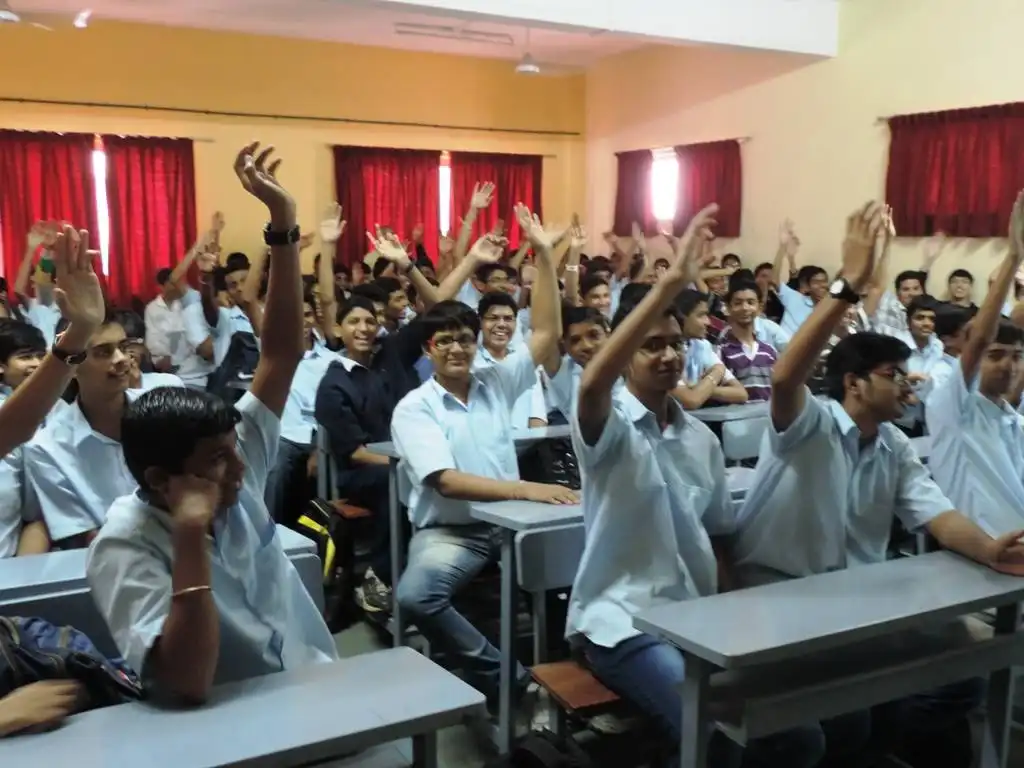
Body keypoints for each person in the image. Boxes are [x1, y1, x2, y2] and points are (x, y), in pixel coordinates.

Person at [733, 201, 1024, 768]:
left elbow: (935, 513)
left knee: (958, 676)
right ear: (855, 384)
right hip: (778, 600)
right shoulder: (809, 426)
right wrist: (850, 285)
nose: (909, 389)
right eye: (894, 377)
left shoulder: (891, 446)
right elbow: (787, 374)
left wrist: (990, 548)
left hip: (853, 601)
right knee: (851, 718)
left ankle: (872, 749)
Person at [569, 204, 820, 767]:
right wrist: (669, 286)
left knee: (802, 735)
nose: (667, 355)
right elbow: (591, 385)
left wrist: (742, 617)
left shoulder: (701, 441)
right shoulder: (607, 431)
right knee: (714, 733)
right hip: (621, 622)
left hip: (697, 619)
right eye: (651, 345)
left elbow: (718, 539)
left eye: (675, 344)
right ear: (625, 354)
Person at [87, 142, 338, 704]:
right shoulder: (124, 544)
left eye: (232, 452)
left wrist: (283, 224)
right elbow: (186, 683)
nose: (241, 470)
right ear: (159, 480)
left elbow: (280, 356)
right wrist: (190, 538)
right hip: (224, 731)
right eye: (216, 464)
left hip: (316, 686)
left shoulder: (231, 456)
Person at [390, 205, 575, 708]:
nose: (457, 348)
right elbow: (445, 482)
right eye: (445, 340)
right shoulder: (415, 407)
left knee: (581, 558)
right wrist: (526, 488)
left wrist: (543, 251)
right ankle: (508, 676)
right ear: (429, 350)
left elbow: (544, 334)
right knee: (415, 598)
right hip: (455, 532)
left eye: (465, 340)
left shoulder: (495, 381)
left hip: (512, 523)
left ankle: (575, 670)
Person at [927, 192, 1024, 537]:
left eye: (1016, 357)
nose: (1009, 366)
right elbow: (981, 337)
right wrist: (1013, 256)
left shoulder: (1014, 420)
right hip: (977, 553)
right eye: (995, 356)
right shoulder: (954, 406)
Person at [670, 289, 748, 409]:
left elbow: (741, 394)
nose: (708, 322)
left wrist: (702, 388)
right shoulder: (666, 351)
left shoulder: (703, 345)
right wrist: (717, 373)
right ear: (682, 317)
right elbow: (691, 401)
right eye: (701, 315)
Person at [717, 281, 780, 402]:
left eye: (750, 302)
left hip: (767, 418)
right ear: (729, 308)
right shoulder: (722, 351)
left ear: (760, 307)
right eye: (738, 303)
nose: (745, 308)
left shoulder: (769, 351)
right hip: (737, 419)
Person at [893, 296, 944, 437]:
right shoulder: (895, 346)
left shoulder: (939, 346)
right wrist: (904, 383)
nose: (926, 323)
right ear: (908, 321)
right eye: (920, 318)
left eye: (931, 319)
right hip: (900, 420)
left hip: (930, 421)